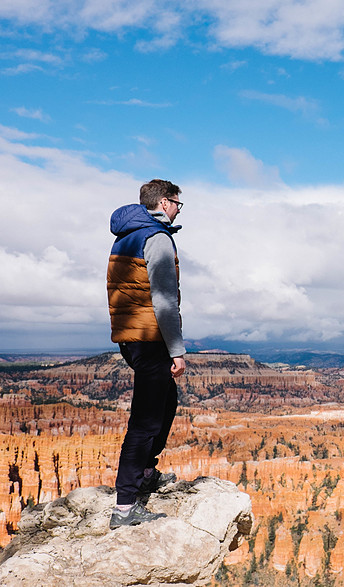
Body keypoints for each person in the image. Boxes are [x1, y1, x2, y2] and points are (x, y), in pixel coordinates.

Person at [106, 179, 187, 529]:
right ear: (165, 203)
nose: (178, 210)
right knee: (145, 421)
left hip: (130, 336)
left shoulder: (126, 236)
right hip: (150, 337)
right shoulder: (156, 239)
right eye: (178, 204)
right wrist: (177, 350)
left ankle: (146, 474)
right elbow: (164, 301)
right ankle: (125, 507)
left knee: (167, 401)